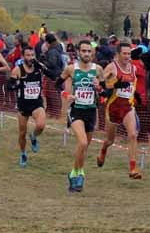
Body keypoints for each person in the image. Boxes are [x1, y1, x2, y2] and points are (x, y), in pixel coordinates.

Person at [96, 42, 143, 180]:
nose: (127, 56)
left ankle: (133, 168)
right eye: (124, 53)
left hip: (128, 107)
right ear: (118, 54)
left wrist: (135, 95)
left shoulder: (133, 68)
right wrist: (113, 85)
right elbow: (101, 83)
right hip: (113, 107)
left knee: (133, 135)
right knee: (110, 140)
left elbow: (132, 85)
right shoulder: (112, 67)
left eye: (129, 53)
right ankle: (104, 149)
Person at [61, 40, 102, 192]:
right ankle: (77, 174)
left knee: (84, 147)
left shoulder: (98, 69)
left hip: (91, 111)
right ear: (78, 52)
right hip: (76, 110)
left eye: (88, 51)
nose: (86, 54)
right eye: (83, 51)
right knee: (83, 142)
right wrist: (66, 94)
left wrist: (99, 87)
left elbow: (104, 92)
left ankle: (76, 172)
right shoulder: (71, 69)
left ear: (92, 53)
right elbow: (57, 83)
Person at [9, 46, 47, 168]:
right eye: (28, 55)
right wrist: (18, 85)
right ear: (23, 56)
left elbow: (52, 74)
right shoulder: (17, 70)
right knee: (22, 133)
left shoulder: (38, 67)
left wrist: (41, 66)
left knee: (41, 125)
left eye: (32, 55)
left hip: (36, 103)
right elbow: (9, 86)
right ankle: (23, 153)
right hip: (23, 105)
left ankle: (34, 136)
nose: (30, 58)